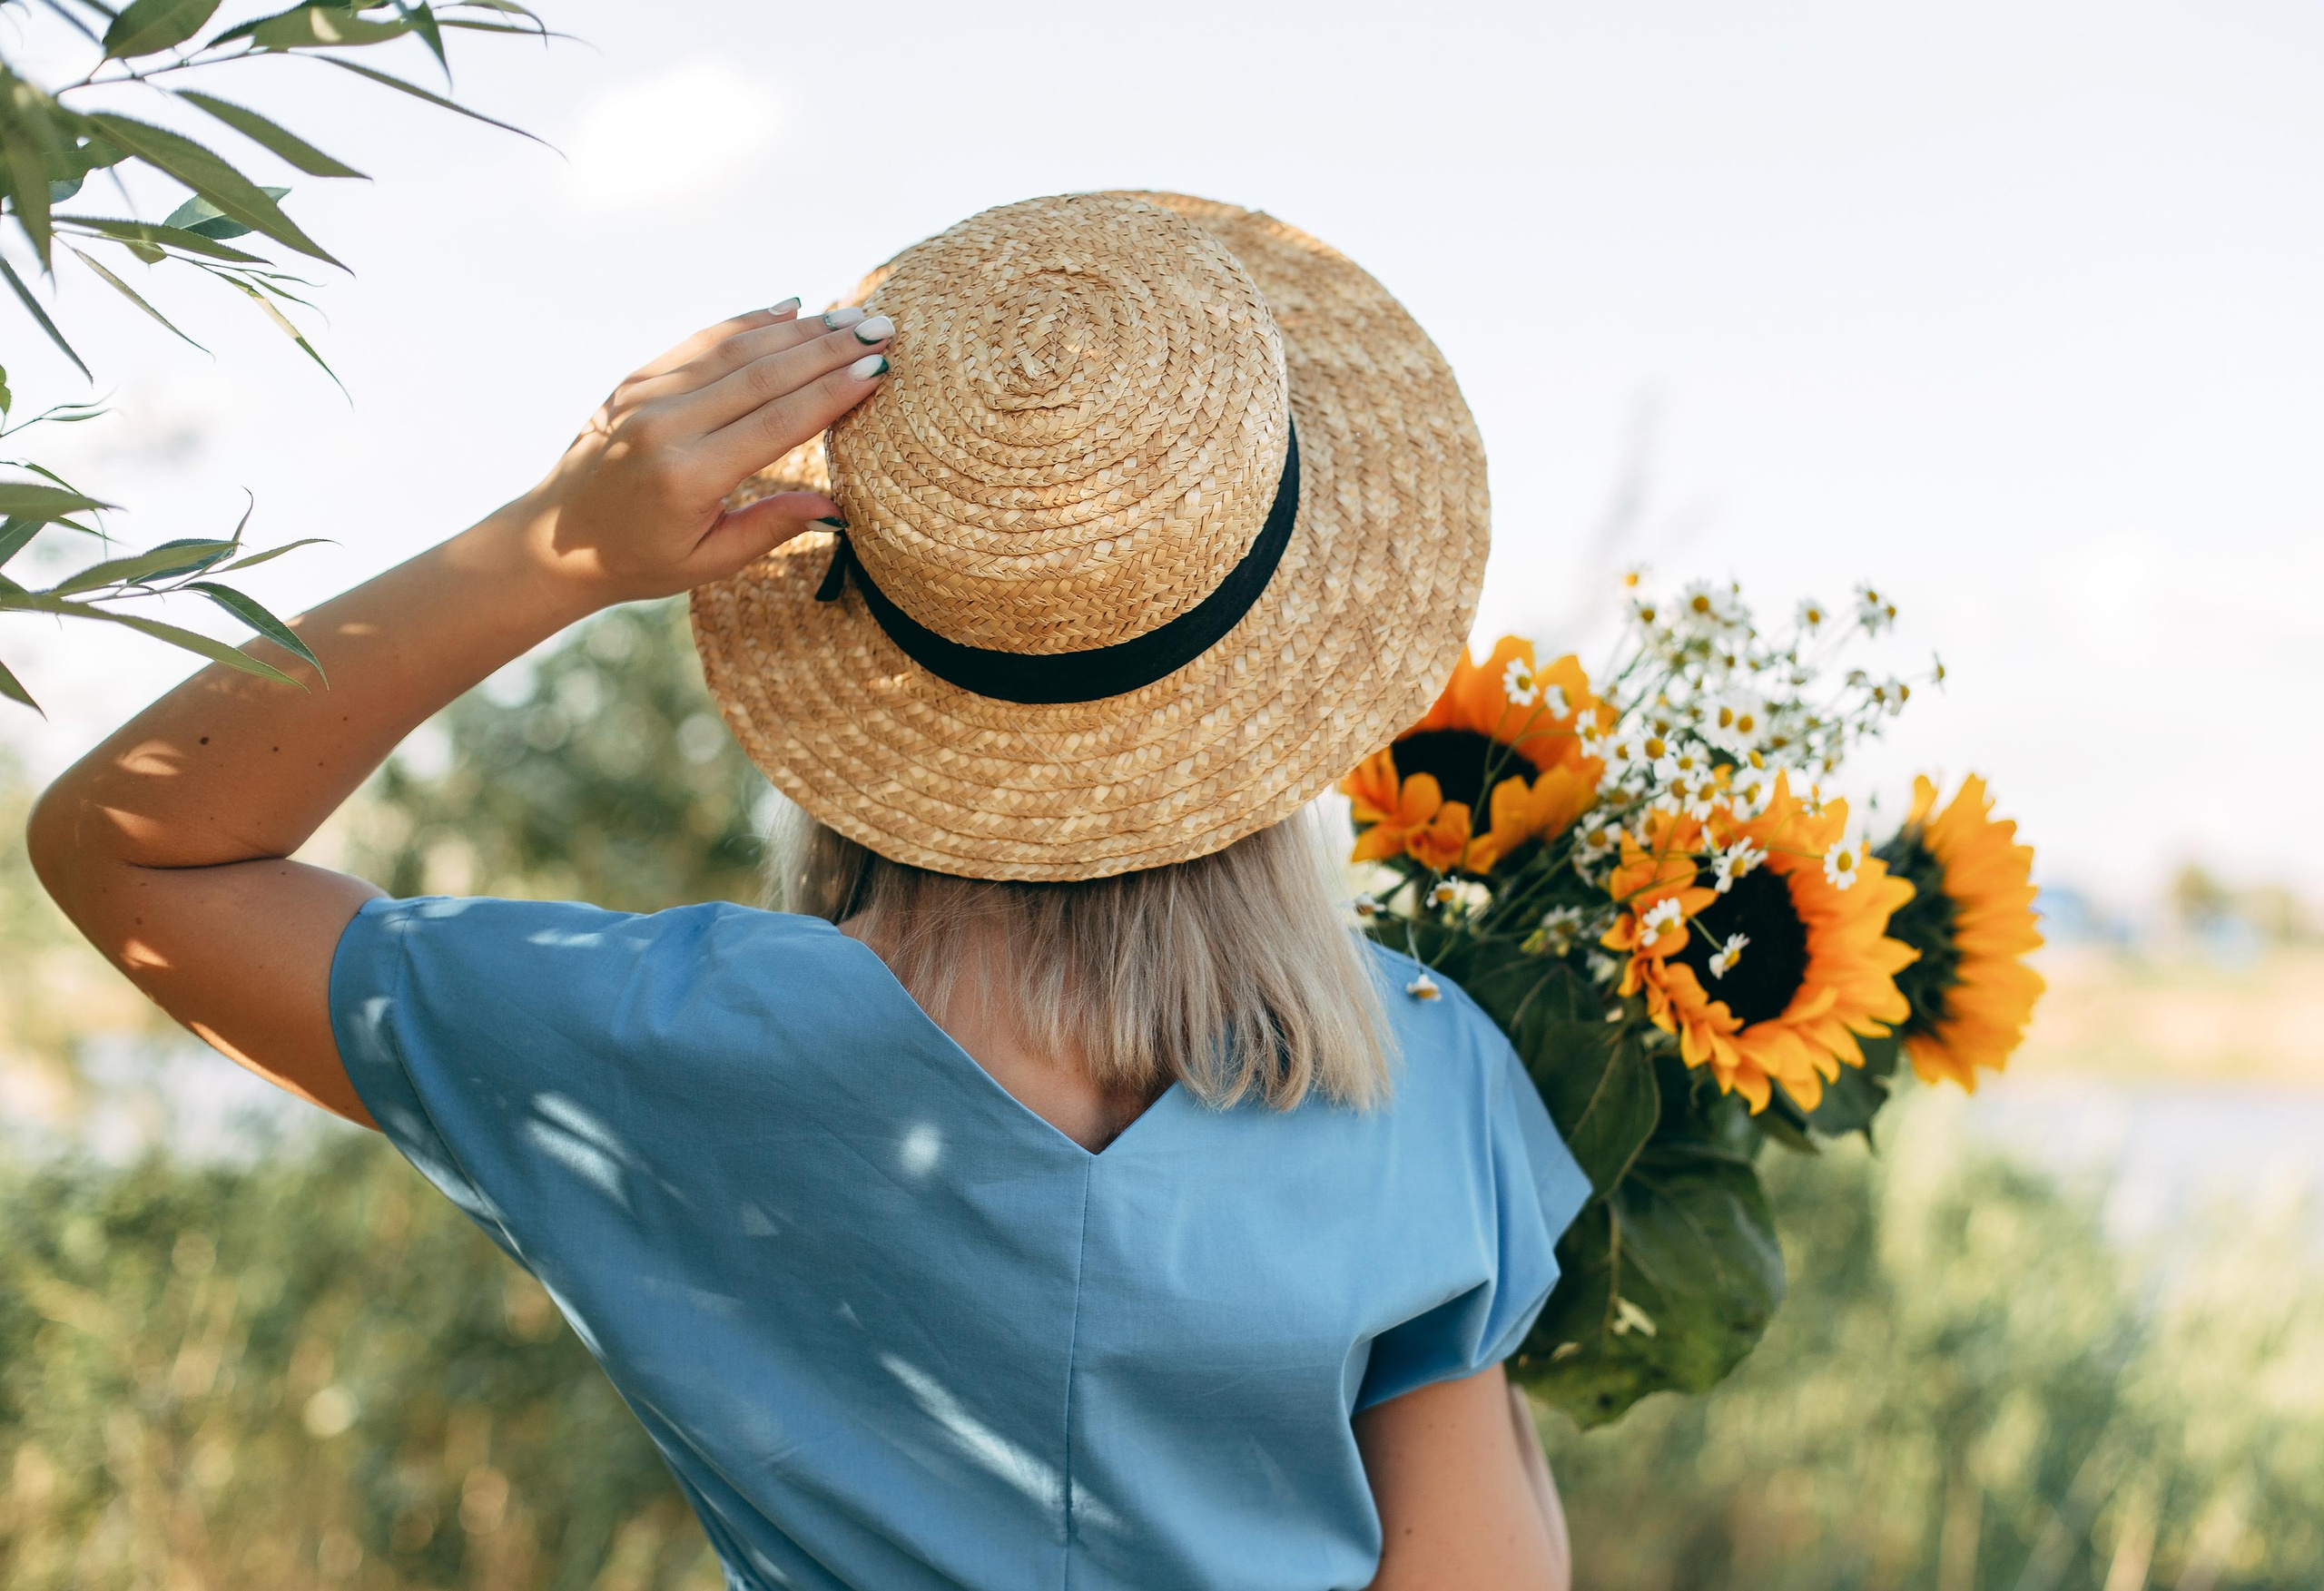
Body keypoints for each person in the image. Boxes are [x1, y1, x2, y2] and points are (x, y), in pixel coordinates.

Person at [31, 192, 1589, 1590]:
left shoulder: (664, 1042)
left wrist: (553, 547)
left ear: (872, 636)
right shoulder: (1419, 1069)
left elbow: (133, 847)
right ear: (1274, 672)